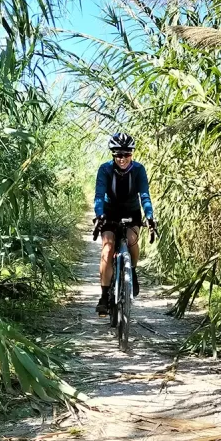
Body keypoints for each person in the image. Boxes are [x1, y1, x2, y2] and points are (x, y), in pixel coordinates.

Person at [93, 132, 157, 315]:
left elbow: (144, 195)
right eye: (118, 154)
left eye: (127, 154)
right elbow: (99, 196)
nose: (122, 158)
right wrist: (100, 215)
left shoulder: (139, 170)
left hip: (131, 211)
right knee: (107, 247)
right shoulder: (105, 170)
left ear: (132, 153)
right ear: (113, 154)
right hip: (109, 212)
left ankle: (132, 272)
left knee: (132, 240)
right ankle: (104, 297)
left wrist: (150, 216)